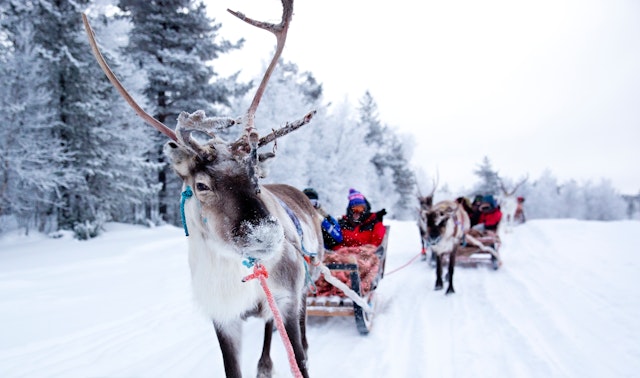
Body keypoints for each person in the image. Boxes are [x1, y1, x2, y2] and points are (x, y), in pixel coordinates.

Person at [315, 189, 386, 297]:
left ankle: (353, 287)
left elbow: (375, 243)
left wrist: (358, 250)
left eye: (361, 208)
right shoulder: (343, 223)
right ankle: (327, 286)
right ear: (349, 209)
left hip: (364, 254)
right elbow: (338, 242)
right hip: (344, 253)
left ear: (365, 209)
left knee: (362, 265)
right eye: (354, 208)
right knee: (325, 262)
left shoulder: (373, 223)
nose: (357, 211)